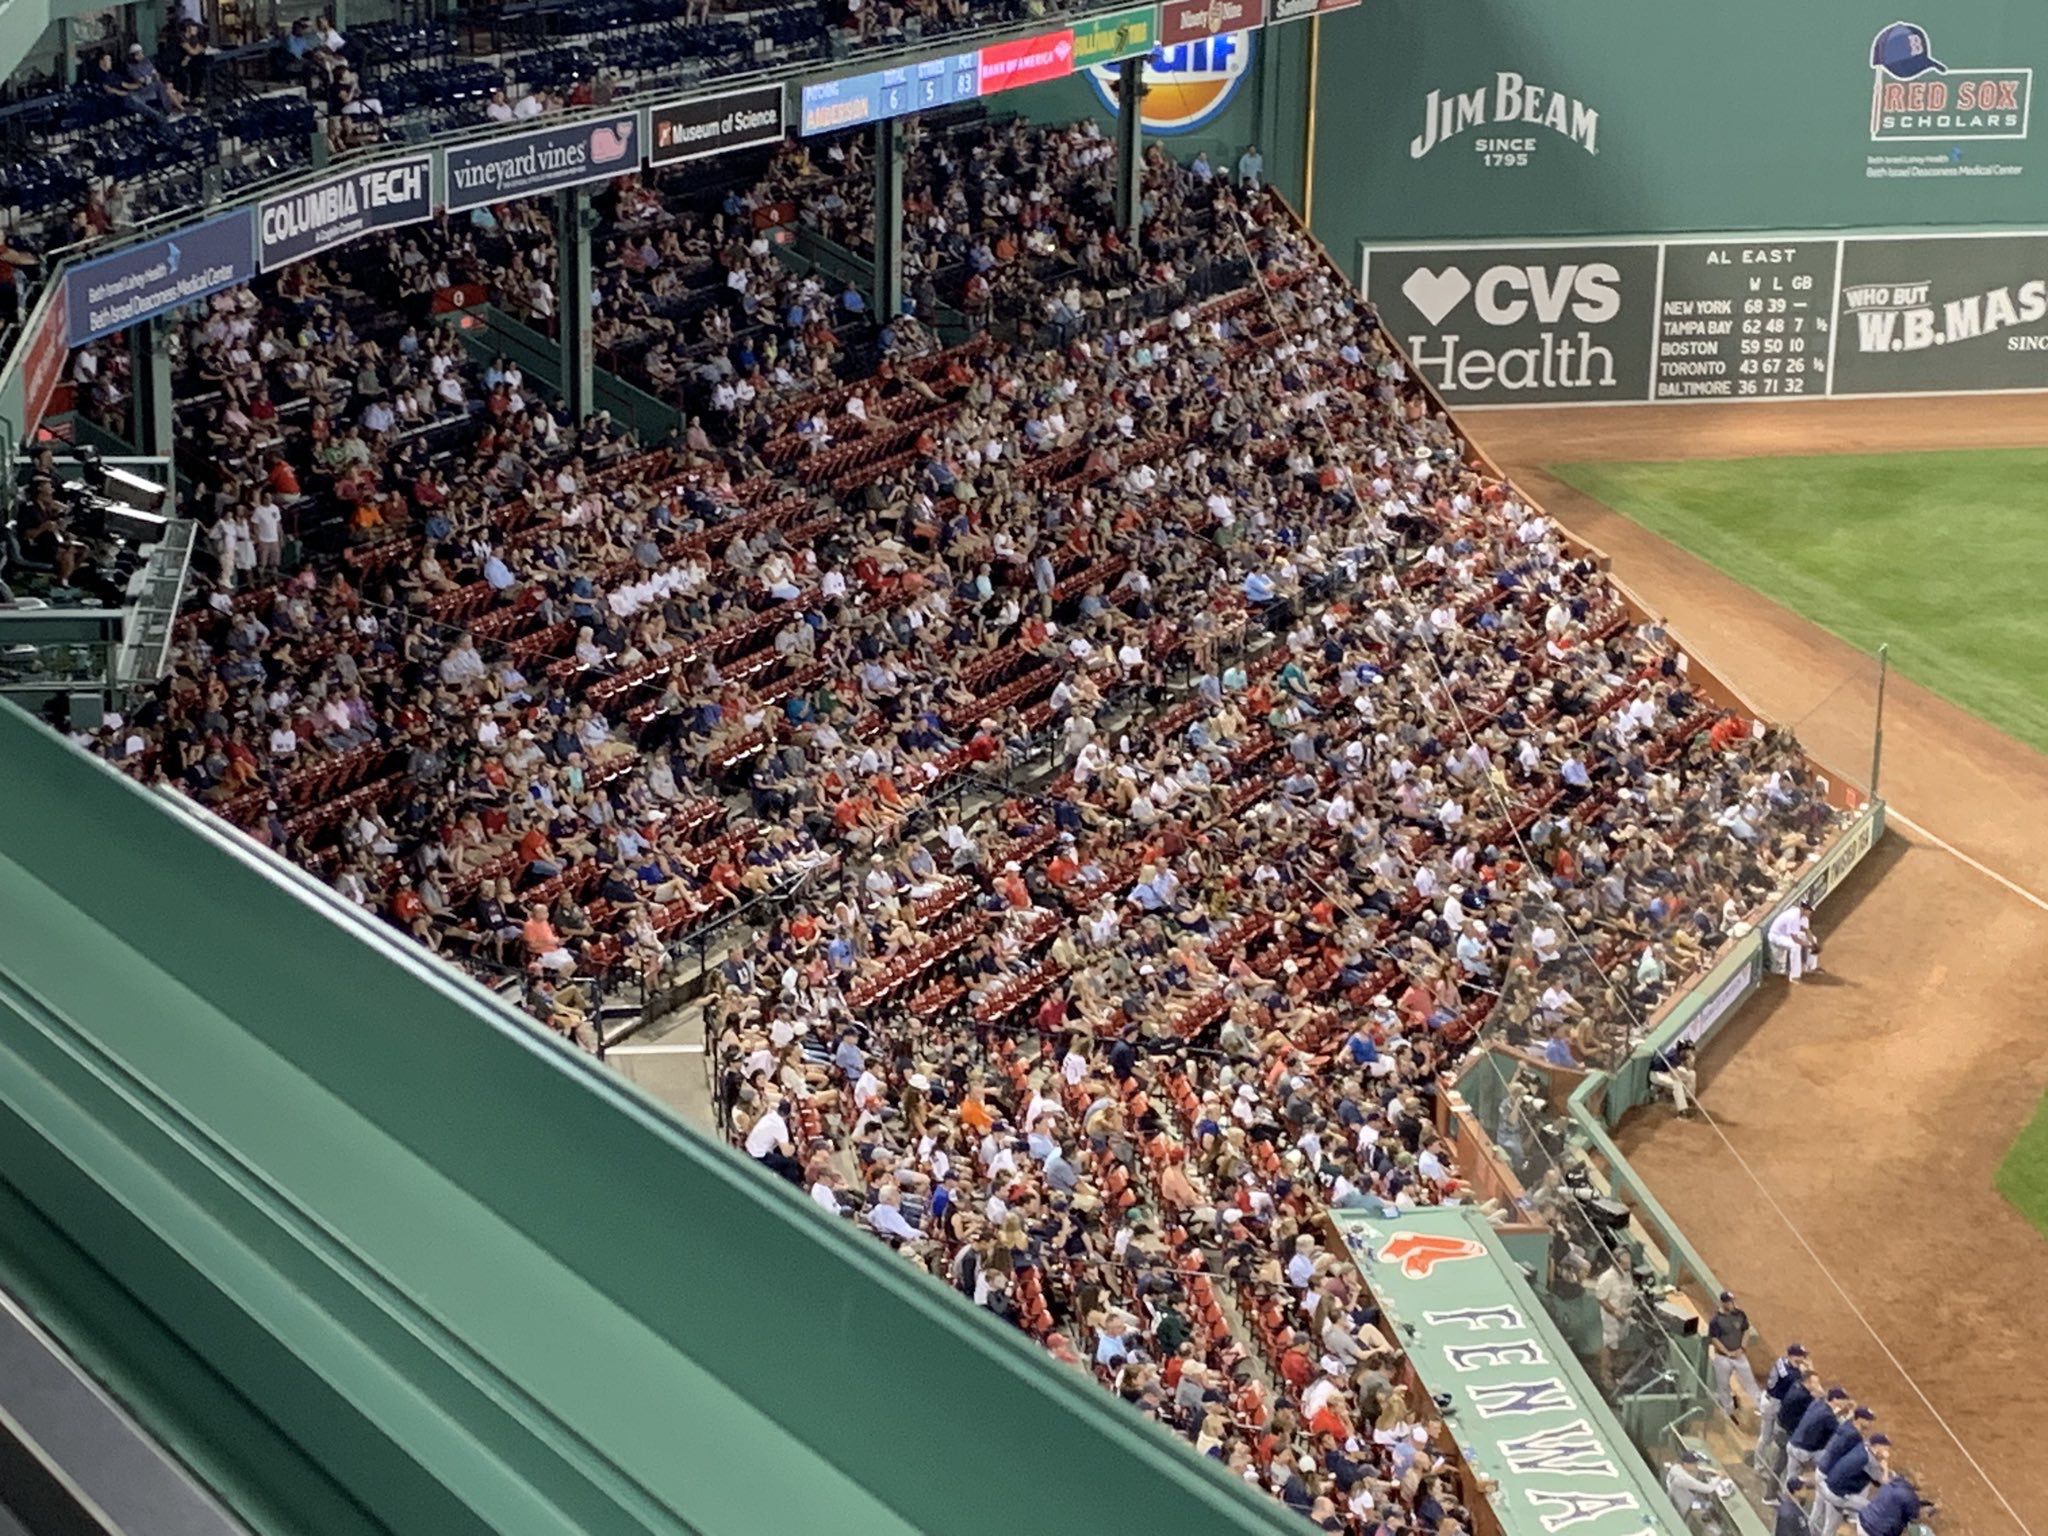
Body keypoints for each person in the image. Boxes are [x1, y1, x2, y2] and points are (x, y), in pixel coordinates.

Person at [1707, 1289, 1760, 1418]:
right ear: (1723, 1303)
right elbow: (1714, 1339)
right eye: (1729, 1302)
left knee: (1750, 1383)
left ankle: (1762, 1407)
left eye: (1732, 1301)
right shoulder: (1716, 1320)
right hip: (1722, 1358)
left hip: (1739, 1356)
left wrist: (1742, 1348)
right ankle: (1728, 1410)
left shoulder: (1740, 1314)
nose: (1731, 1304)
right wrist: (1727, 1352)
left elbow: (1746, 1330)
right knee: (1723, 1385)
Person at [1768, 900, 1819, 981]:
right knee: (1796, 947)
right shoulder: (1793, 916)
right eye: (1809, 910)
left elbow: (1807, 931)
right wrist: (1808, 945)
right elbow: (1794, 938)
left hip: (1787, 935)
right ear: (1804, 909)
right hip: (1777, 936)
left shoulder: (1804, 917)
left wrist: (1813, 944)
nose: (1810, 913)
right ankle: (1794, 976)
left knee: (1814, 939)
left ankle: (1811, 967)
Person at [1649, 1038, 1699, 1115]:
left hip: (1667, 1072)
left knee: (1692, 1074)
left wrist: (1690, 1062)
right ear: (1683, 1050)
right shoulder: (1673, 1056)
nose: (1691, 1052)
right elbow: (1674, 1075)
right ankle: (1682, 1110)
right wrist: (1682, 1078)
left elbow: (1688, 1069)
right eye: (1689, 1050)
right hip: (1657, 1074)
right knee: (1678, 1083)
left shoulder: (1682, 1055)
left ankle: (1688, 1098)